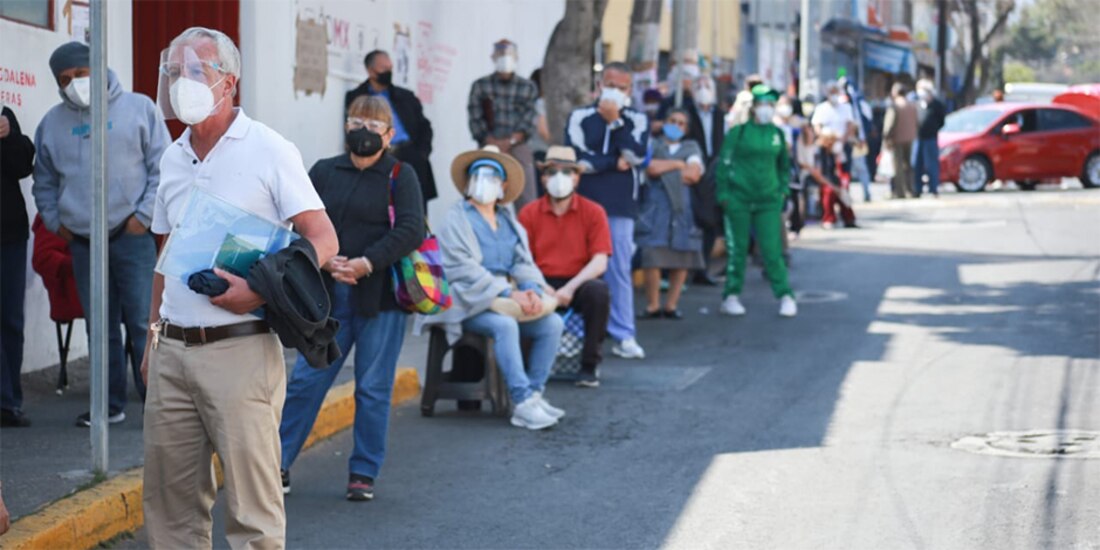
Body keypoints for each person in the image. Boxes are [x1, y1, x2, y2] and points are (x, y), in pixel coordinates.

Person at [142, 27, 338, 549]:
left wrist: (259, 289)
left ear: (228, 83)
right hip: (173, 352)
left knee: (253, 515)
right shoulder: (172, 156)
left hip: (241, 349)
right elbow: (166, 252)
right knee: (171, 510)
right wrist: (151, 334)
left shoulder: (269, 149)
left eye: (196, 71)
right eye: (176, 72)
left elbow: (322, 239)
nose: (183, 82)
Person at [279, 96, 424, 502]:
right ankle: (278, 463)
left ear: (389, 135)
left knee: (373, 388)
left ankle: (363, 471)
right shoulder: (324, 171)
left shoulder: (400, 174)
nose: (364, 130)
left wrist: (366, 262)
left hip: (381, 301)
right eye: (356, 121)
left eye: (374, 124)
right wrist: (323, 261)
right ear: (345, 126)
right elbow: (295, 222)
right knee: (307, 382)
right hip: (326, 299)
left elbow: (412, 228)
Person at [32, 41, 170, 427]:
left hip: (132, 236)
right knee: (101, 326)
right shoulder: (52, 123)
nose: (74, 83)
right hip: (82, 242)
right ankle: (107, 405)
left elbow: (163, 166)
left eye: (80, 74)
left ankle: (157, 403)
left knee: (145, 321)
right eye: (65, 79)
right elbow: (43, 180)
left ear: (96, 69)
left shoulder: (139, 108)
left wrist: (143, 217)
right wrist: (56, 220)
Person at [427, 145, 565, 430]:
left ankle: (534, 394)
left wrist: (530, 289)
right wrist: (506, 292)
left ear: (503, 185)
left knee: (551, 323)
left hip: (506, 298)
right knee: (505, 326)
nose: (484, 181)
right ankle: (521, 401)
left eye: (492, 176)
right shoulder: (457, 219)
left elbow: (522, 262)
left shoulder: (507, 221)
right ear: (469, 182)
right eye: (479, 174)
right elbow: (462, 268)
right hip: (467, 300)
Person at [565, 62, 649, 359]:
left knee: (619, 271)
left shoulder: (636, 119)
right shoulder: (580, 117)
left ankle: (624, 333)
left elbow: (636, 155)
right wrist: (612, 163)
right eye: (609, 85)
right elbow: (578, 160)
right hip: (583, 202)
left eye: (622, 87)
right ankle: (575, 333)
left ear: (630, 90)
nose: (614, 92)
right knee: (577, 266)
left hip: (620, 204)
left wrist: (615, 123)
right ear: (599, 84)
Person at [518, 146, 612, 388]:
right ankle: (529, 366)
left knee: (598, 292)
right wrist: (544, 288)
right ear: (543, 177)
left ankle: (589, 365)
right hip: (540, 280)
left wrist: (569, 289)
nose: (559, 178)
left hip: (578, 281)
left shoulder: (594, 212)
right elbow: (521, 260)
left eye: (567, 172)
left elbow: (600, 260)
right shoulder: (528, 213)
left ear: (577, 178)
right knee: (524, 295)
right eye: (552, 171)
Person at [715, 85, 797, 318]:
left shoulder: (777, 134)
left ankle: (785, 295)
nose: (766, 109)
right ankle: (731, 295)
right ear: (754, 107)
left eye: (770, 105)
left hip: (768, 201)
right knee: (737, 250)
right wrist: (724, 196)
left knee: (772, 251)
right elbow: (723, 165)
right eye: (762, 104)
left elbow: (784, 167)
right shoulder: (738, 133)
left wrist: (782, 191)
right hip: (738, 200)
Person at [345, 50, 437, 209]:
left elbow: (425, 127)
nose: (388, 72)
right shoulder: (356, 96)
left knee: (416, 208)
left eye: (390, 67)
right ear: (370, 70)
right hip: (377, 156)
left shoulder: (405, 96)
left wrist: (422, 153)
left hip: (409, 154)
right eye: (383, 68)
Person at [636, 109, 705, 320]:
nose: (676, 125)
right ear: (663, 123)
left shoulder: (691, 147)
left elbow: (694, 174)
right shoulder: (652, 144)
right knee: (653, 257)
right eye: (672, 121)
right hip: (654, 209)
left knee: (681, 257)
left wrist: (665, 171)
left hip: (681, 210)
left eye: (681, 123)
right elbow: (651, 168)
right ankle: (653, 305)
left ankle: (671, 305)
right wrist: (677, 165)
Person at [467, 39, 539, 210]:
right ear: (493, 57)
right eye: (500, 55)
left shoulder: (527, 87)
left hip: (517, 145)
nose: (504, 59)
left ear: (516, 58)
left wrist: (511, 142)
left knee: (526, 194)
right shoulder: (480, 86)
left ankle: (527, 230)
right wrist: (492, 142)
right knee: (481, 191)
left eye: (508, 55)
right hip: (489, 145)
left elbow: (529, 119)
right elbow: (475, 118)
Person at [1, 106, 35, 428]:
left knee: (10, 318)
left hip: (8, 235)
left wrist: (9, 136)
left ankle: (9, 401)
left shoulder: (4, 117)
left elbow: (24, 166)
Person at [813, 128, 858, 229]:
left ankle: (849, 219)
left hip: (832, 180)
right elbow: (818, 174)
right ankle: (828, 219)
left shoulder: (833, 153)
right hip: (822, 182)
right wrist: (832, 186)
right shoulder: (819, 153)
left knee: (843, 192)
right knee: (829, 192)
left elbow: (837, 170)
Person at [883, 82, 918, 199]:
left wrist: (886, 138)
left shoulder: (895, 106)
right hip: (910, 138)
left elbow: (889, 125)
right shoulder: (912, 105)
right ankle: (910, 189)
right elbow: (917, 122)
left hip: (897, 139)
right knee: (908, 165)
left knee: (898, 167)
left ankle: (900, 192)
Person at [913, 79, 946, 198]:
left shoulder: (937, 104)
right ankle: (917, 189)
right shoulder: (917, 103)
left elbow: (941, 121)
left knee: (931, 164)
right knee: (917, 164)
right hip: (918, 138)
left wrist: (933, 129)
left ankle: (934, 188)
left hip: (931, 138)